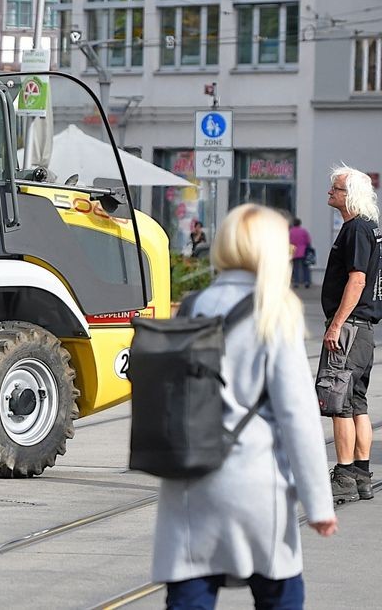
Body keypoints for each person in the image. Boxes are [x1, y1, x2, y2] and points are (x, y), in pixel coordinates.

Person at [152, 203, 336, 609]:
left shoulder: (192, 306)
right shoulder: (274, 311)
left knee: (190, 593)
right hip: (257, 483)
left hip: (191, 478)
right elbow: (298, 416)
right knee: (279, 594)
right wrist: (319, 503)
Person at [321, 165, 381, 504]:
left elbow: (357, 280)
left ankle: (343, 474)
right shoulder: (369, 228)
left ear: (352, 195)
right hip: (363, 330)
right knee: (357, 403)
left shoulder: (356, 229)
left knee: (338, 402)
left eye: (337, 188)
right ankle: (361, 475)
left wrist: (335, 324)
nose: (331, 192)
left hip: (350, 328)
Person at [289, 217, 312, 288]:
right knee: (305, 267)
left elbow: (288, 241)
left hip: (294, 251)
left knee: (295, 268)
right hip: (303, 250)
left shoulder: (291, 231)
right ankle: (306, 281)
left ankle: (296, 282)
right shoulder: (303, 231)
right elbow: (308, 241)